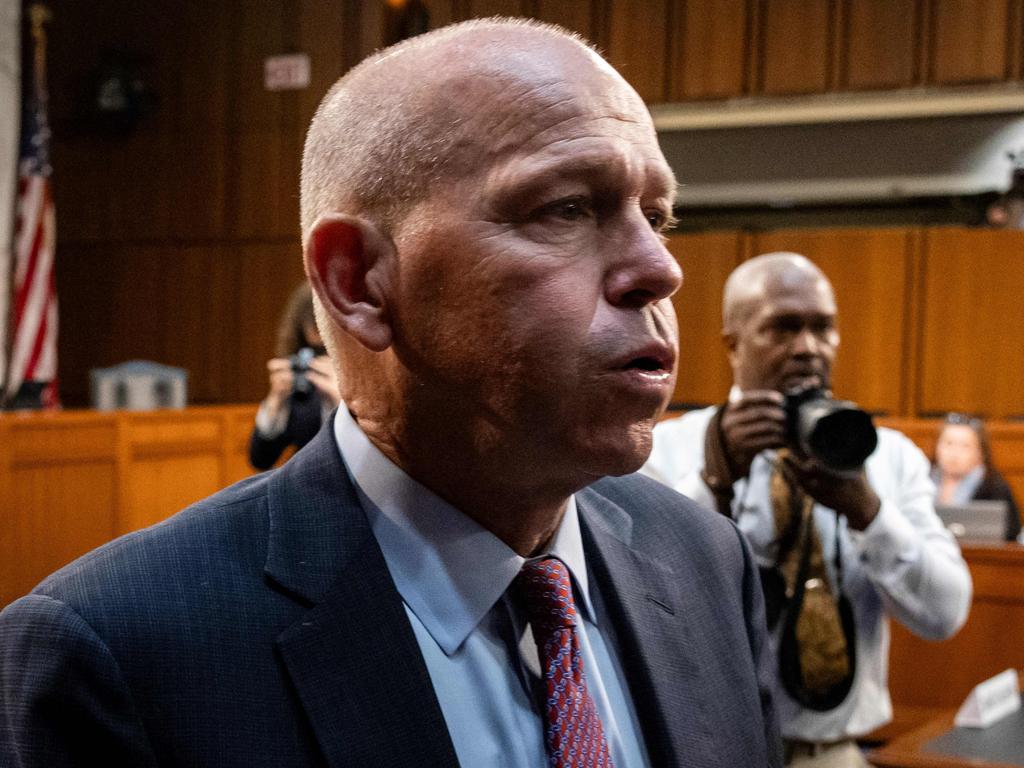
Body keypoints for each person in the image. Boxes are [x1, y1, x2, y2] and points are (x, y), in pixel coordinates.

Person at [0, 19, 783, 767]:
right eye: (567, 208)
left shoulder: (706, 560)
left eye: (658, 216)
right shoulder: (119, 655)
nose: (660, 269)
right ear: (358, 282)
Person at [644, 252, 972, 767]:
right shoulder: (670, 450)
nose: (807, 349)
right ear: (733, 344)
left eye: (823, 328)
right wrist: (715, 482)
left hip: (833, 753)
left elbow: (944, 614)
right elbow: (640, 595)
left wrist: (868, 512)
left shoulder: (885, 457)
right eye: (783, 328)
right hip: (702, 750)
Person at [249, 282, 341, 470]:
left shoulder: (371, 383)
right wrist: (276, 403)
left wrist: (342, 406)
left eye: (325, 351)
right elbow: (261, 459)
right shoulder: (301, 386)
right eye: (313, 352)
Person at [933, 413, 1021, 541]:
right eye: (948, 443)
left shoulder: (995, 487)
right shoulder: (921, 481)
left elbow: (1012, 532)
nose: (954, 453)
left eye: (965, 446)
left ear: (981, 453)